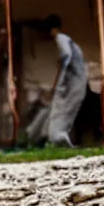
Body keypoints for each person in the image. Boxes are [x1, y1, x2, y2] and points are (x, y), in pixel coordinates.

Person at [42, 14, 88, 147]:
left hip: (71, 86)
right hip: (77, 84)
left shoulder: (61, 39)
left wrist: (59, 84)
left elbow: (66, 56)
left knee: (60, 113)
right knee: (65, 114)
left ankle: (57, 139)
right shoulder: (71, 41)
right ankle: (60, 139)